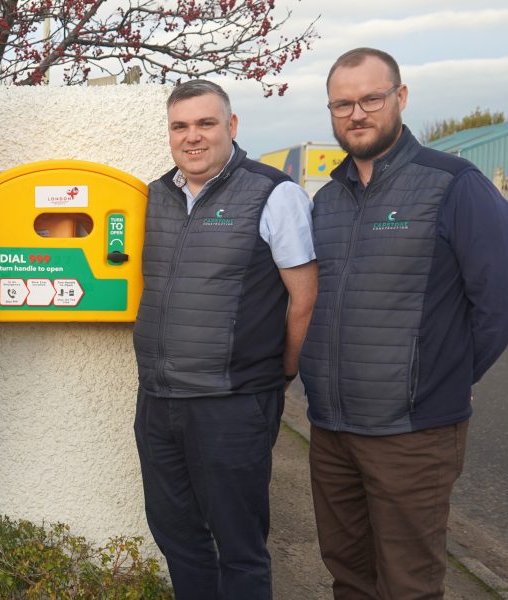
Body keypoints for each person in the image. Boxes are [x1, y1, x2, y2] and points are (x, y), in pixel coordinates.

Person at [300, 47, 508, 599]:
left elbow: (499, 307)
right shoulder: (326, 200)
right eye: (342, 104)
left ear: (400, 97)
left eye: (370, 99)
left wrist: (439, 380)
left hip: (412, 434)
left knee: (408, 584)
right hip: (332, 429)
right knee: (348, 576)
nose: (356, 114)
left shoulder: (455, 185)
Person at [132, 79, 318, 600]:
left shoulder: (273, 193)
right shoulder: (156, 196)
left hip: (232, 403)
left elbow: (304, 299)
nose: (193, 137)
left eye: (206, 123)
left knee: (239, 548)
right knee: (178, 537)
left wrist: (279, 373)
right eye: (181, 126)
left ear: (231, 127)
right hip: (159, 400)